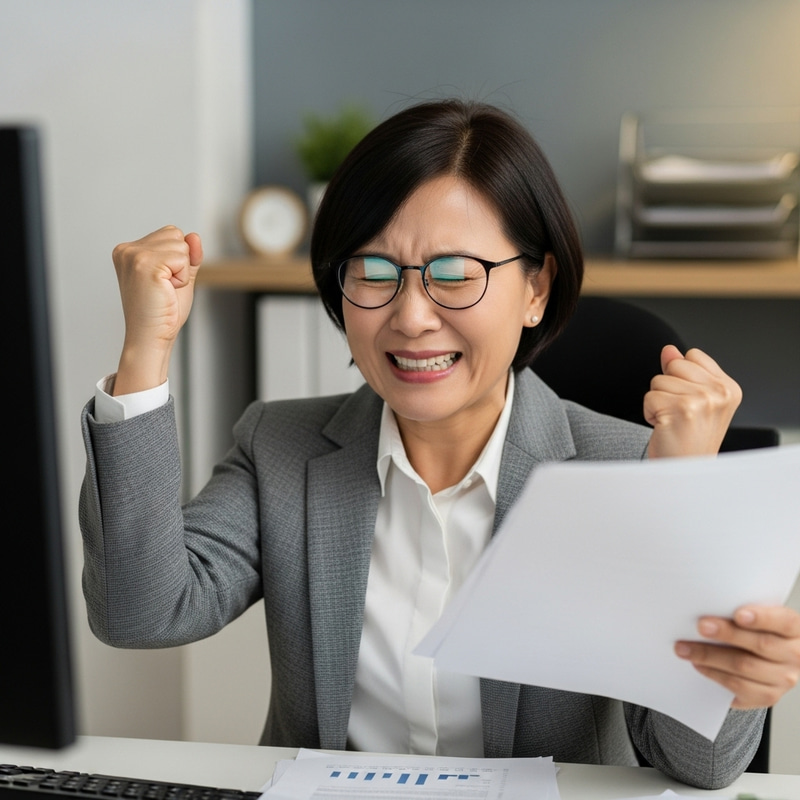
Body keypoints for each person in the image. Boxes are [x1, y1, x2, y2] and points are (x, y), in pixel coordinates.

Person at [79, 99, 800, 789]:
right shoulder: (281, 446)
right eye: (374, 272)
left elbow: (698, 766)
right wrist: (147, 349)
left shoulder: (630, 469)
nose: (412, 317)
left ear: (536, 289)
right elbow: (140, 612)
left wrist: (686, 520)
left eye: (456, 275)